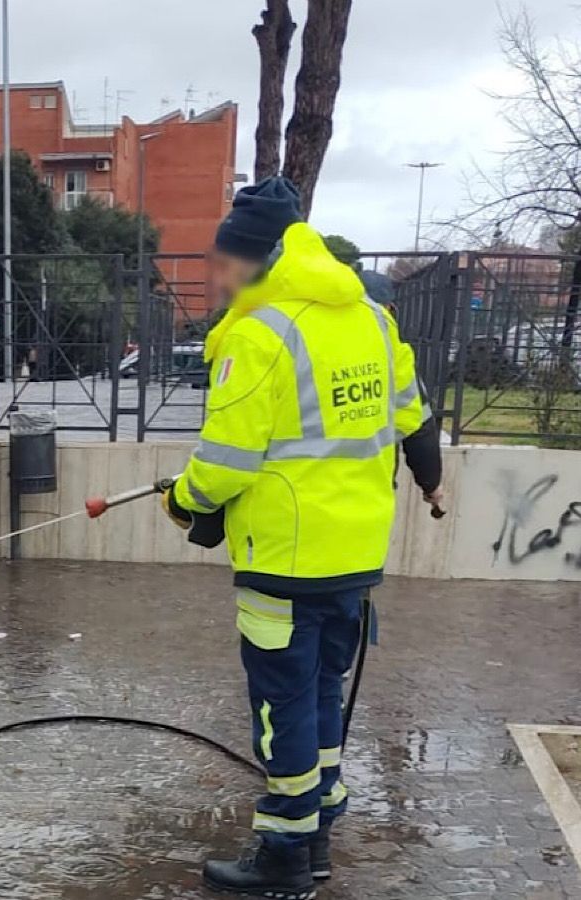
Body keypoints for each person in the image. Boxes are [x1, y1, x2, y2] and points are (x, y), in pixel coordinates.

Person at [160, 177, 424, 898]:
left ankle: (282, 857)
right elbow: (407, 406)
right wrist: (428, 473)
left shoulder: (260, 332)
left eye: (224, 264)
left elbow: (226, 463)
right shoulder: (368, 315)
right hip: (356, 556)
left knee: (281, 708)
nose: (217, 278)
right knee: (321, 695)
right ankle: (317, 837)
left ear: (258, 260)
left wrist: (184, 501)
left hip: (285, 560)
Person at [359, 271, 444, 509]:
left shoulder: (301, 337)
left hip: (289, 493)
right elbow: (418, 426)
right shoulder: (392, 353)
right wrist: (431, 485)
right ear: (387, 309)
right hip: (369, 492)